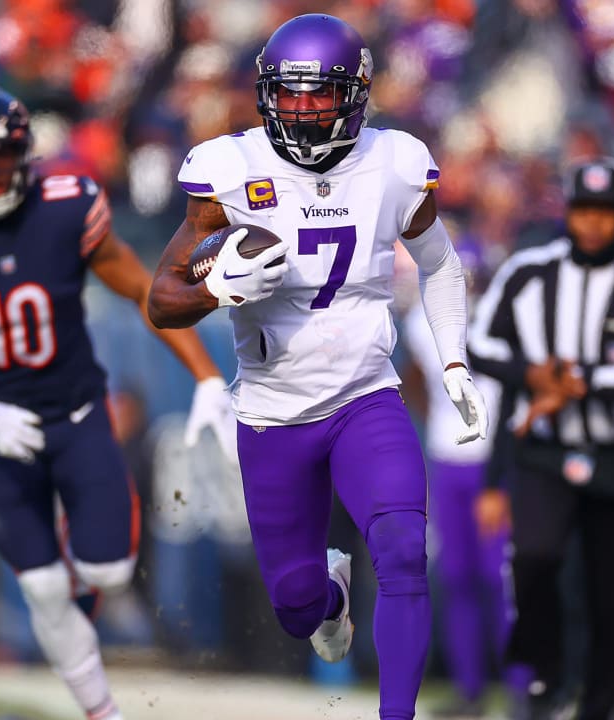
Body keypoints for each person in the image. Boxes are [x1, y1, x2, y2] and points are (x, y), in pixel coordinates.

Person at [145, 14, 489, 720]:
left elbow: (440, 264)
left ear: (356, 96)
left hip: (367, 396)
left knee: (400, 555)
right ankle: (328, 597)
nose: (300, 111)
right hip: (273, 411)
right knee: (298, 608)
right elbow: (162, 299)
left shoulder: (393, 163)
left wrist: (453, 360)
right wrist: (217, 289)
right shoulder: (232, 170)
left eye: (317, 96)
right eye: (288, 95)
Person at [0, 86, 234, 720]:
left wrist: (209, 377)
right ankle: (101, 711)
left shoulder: (66, 206)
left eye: (2, 160)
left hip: (79, 415)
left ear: (24, 156)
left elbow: (149, 293)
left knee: (107, 572)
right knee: (44, 586)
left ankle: (84, 591)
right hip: (1, 434)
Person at [469, 157, 614, 720]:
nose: (593, 224)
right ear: (568, 212)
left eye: (605, 213)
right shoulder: (528, 274)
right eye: (584, 211)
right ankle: (548, 676)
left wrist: (577, 382)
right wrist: (533, 375)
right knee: (535, 563)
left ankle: (601, 703)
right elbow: (480, 343)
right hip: (544, 451)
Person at [400, 241, 518, 719]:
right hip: (447, 459)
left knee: (499, 579)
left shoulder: (500, 319)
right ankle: (471, 691)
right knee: (458, 577)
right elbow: (413, 377)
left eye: (470, 278)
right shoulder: (419, 322)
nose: (465, 287)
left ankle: (520, 686)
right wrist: (434, 422)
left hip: (493, 460)